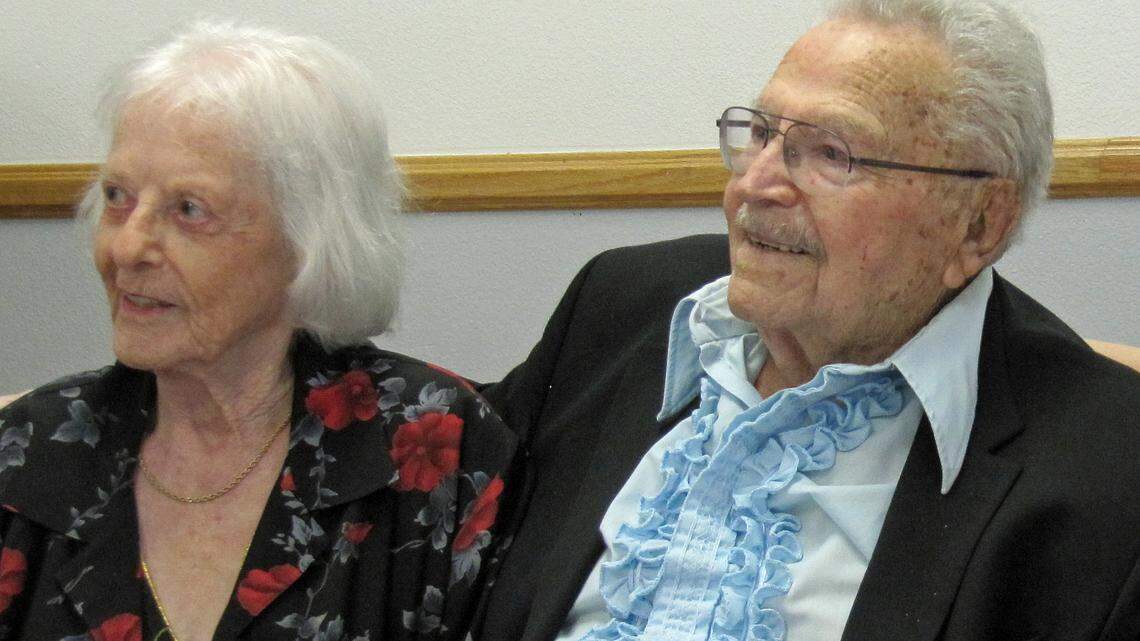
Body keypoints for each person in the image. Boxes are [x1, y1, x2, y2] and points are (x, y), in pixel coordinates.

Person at [475, 1, 1140, 640]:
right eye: (762, 133)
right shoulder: (620, 307)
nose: (753, 187)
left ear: (977, 223)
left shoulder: (1105, 466)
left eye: (832, 153)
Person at [0, 22, 513, 641]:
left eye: (189, 209)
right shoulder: (29, 450)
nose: (128, 246)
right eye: (117, 196)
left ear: (310, 243)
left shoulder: (432, 448)